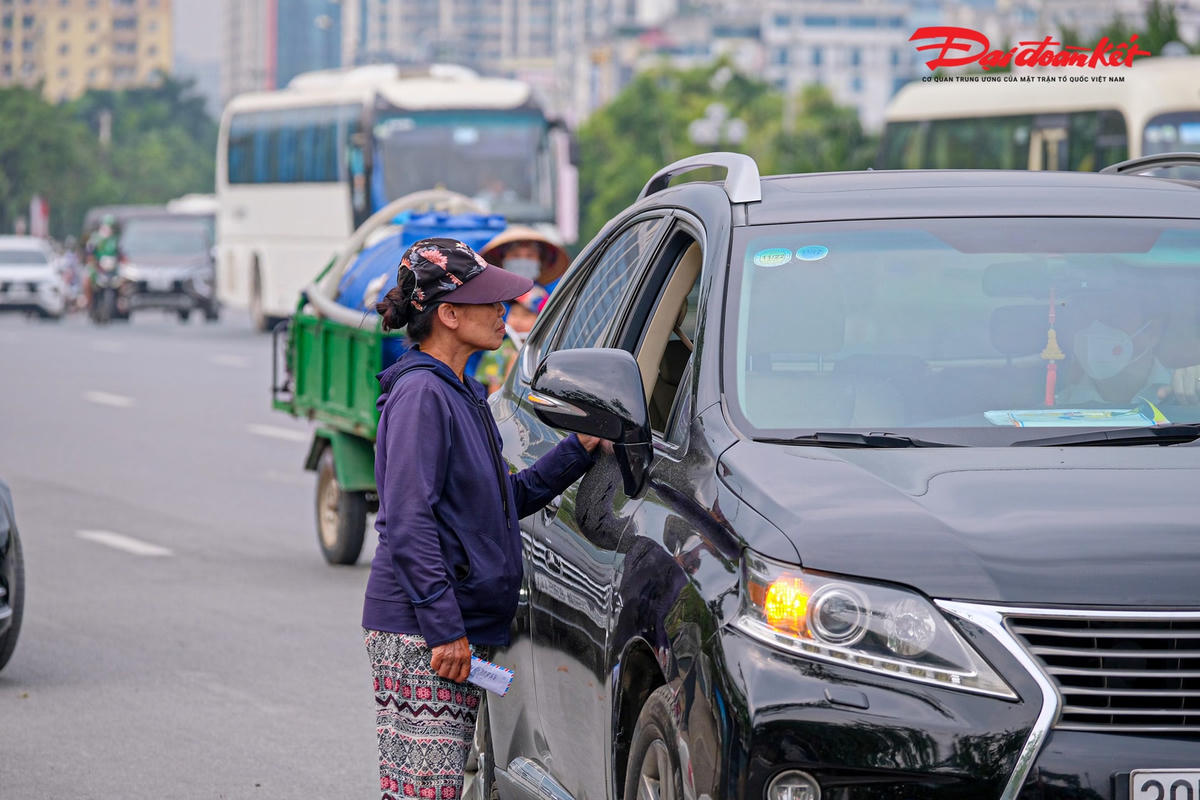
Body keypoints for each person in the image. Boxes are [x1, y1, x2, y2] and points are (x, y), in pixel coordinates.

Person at [364, 237, 603, 800]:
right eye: (489, 301)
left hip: (444, 625)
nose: (502, 311)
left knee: (432, 790)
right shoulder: (423, 395)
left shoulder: (458, 392)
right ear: (448, 314)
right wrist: (444, 629)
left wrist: (579, 449)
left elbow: (497, 503)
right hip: (421, 630)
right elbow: (407, 521)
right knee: (424, 793)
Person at [1057, 284, 1200, 411]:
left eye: (1110, 318)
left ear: (1152, 331)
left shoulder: (1190, 390)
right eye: (1086, 318)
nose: (1094, 330)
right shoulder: (1058, 408)